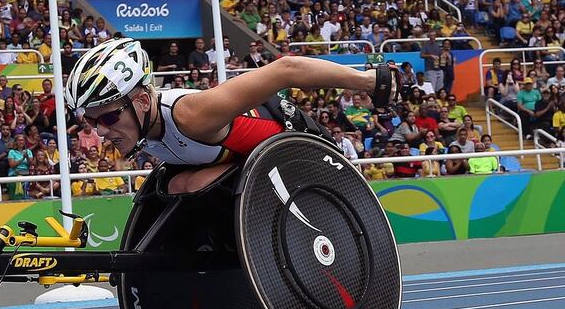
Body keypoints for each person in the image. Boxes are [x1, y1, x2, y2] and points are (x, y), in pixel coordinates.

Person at [64, 38, 399, 194]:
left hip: (296, 144)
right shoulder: (140, 128)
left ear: (140, 99)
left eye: (106, 119)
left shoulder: (191, 115)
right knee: (176, 186)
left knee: (192, 185)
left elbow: (286, 69)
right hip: (246, 162)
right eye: (90, 122)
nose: (99, 132)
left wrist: (370, 81)